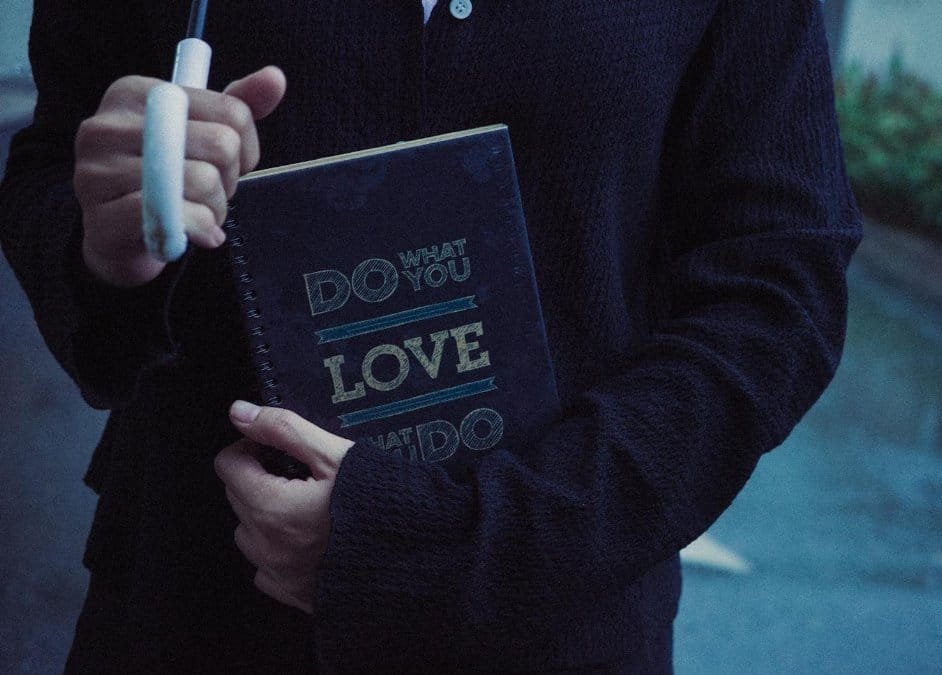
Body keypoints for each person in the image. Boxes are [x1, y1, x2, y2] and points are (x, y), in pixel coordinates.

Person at [0, 1, 861, 671]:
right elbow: (52, 168)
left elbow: (777, 284)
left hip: (558, 632)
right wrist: (105, 238)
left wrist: (477, 546)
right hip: (193, 603)